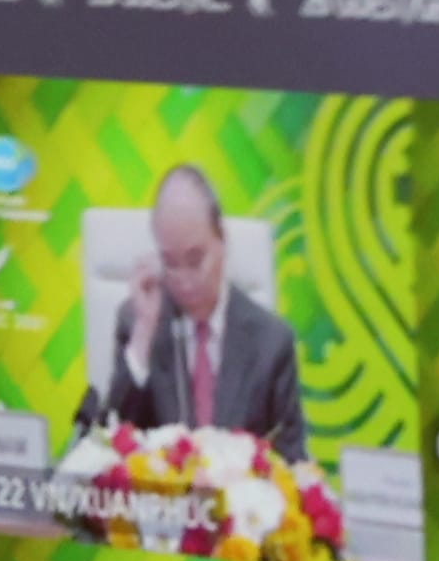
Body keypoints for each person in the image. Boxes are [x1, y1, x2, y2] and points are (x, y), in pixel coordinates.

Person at [85, 164, 308, 454]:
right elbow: (111, 445)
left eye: (195, 260)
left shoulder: (271, 343)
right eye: (171, 263)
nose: (184, 280)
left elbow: (292, 463)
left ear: (222, 241)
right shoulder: (138, 323)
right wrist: (143, 335)